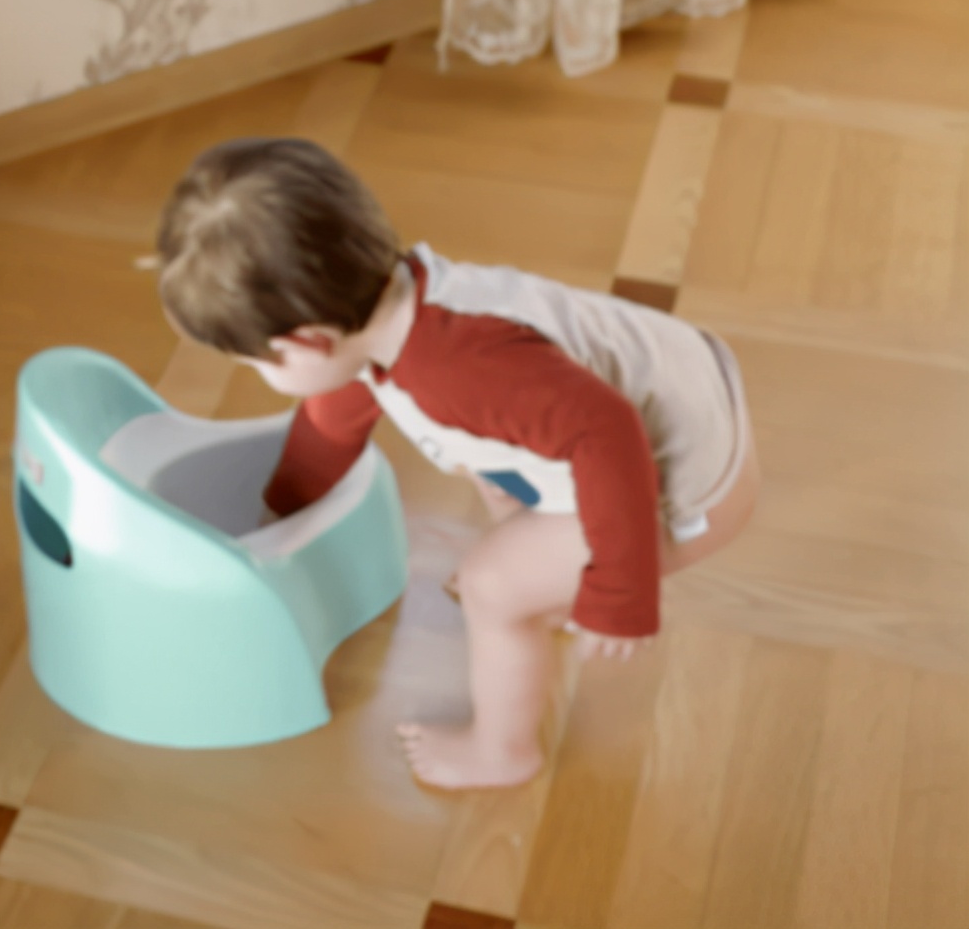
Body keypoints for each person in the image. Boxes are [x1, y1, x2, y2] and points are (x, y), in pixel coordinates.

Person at [152, 137, 760, 789]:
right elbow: (332, 422)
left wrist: (620, 592)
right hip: (679, 394)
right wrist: (278, 515)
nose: (256, 374)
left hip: (684, 486)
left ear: (309, 342)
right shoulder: (392, 305)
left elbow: (608, 436)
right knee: (490, 476)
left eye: (254, 363)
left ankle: (503, 752)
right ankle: (552, 589)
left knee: (491, 587)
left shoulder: (459, 372)